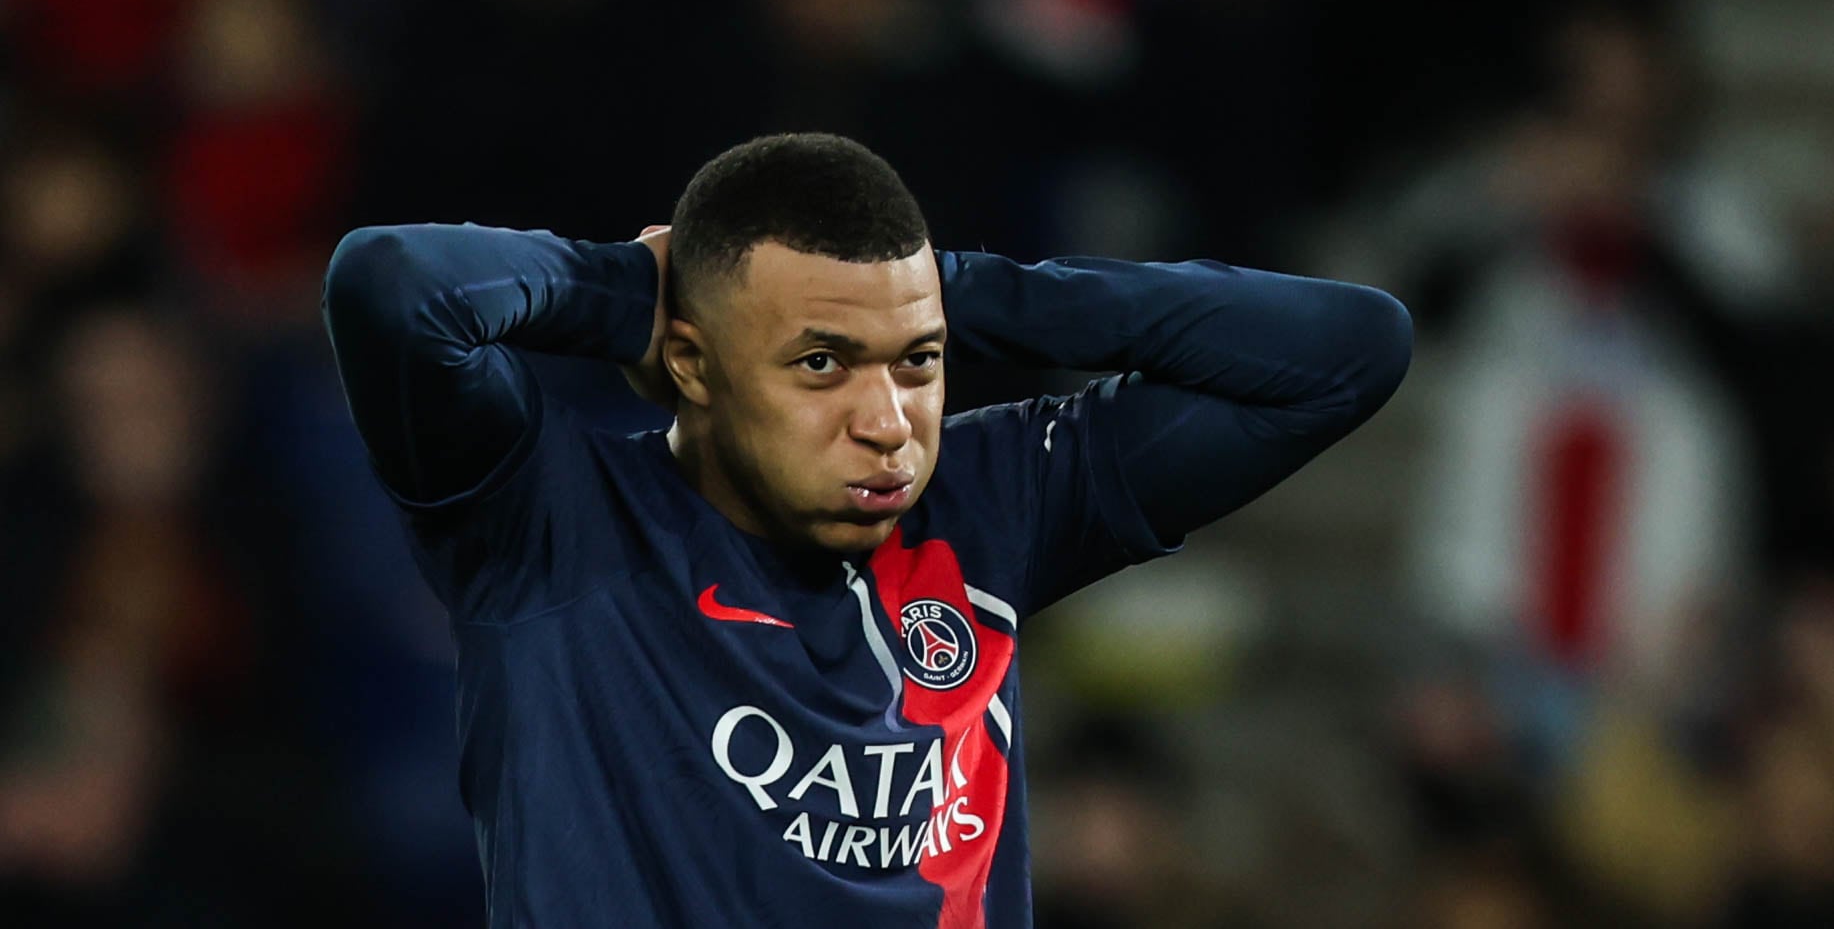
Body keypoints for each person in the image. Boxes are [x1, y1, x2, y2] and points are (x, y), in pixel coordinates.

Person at [319, 131, 1412, 928]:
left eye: (918, 363)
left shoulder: (988, 504)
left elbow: (1347, 351)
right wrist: (630, 286)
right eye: (819, 363)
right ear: (692, 361)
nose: (887, 425)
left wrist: (950, 292)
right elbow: (395, 284)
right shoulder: (545, 523)